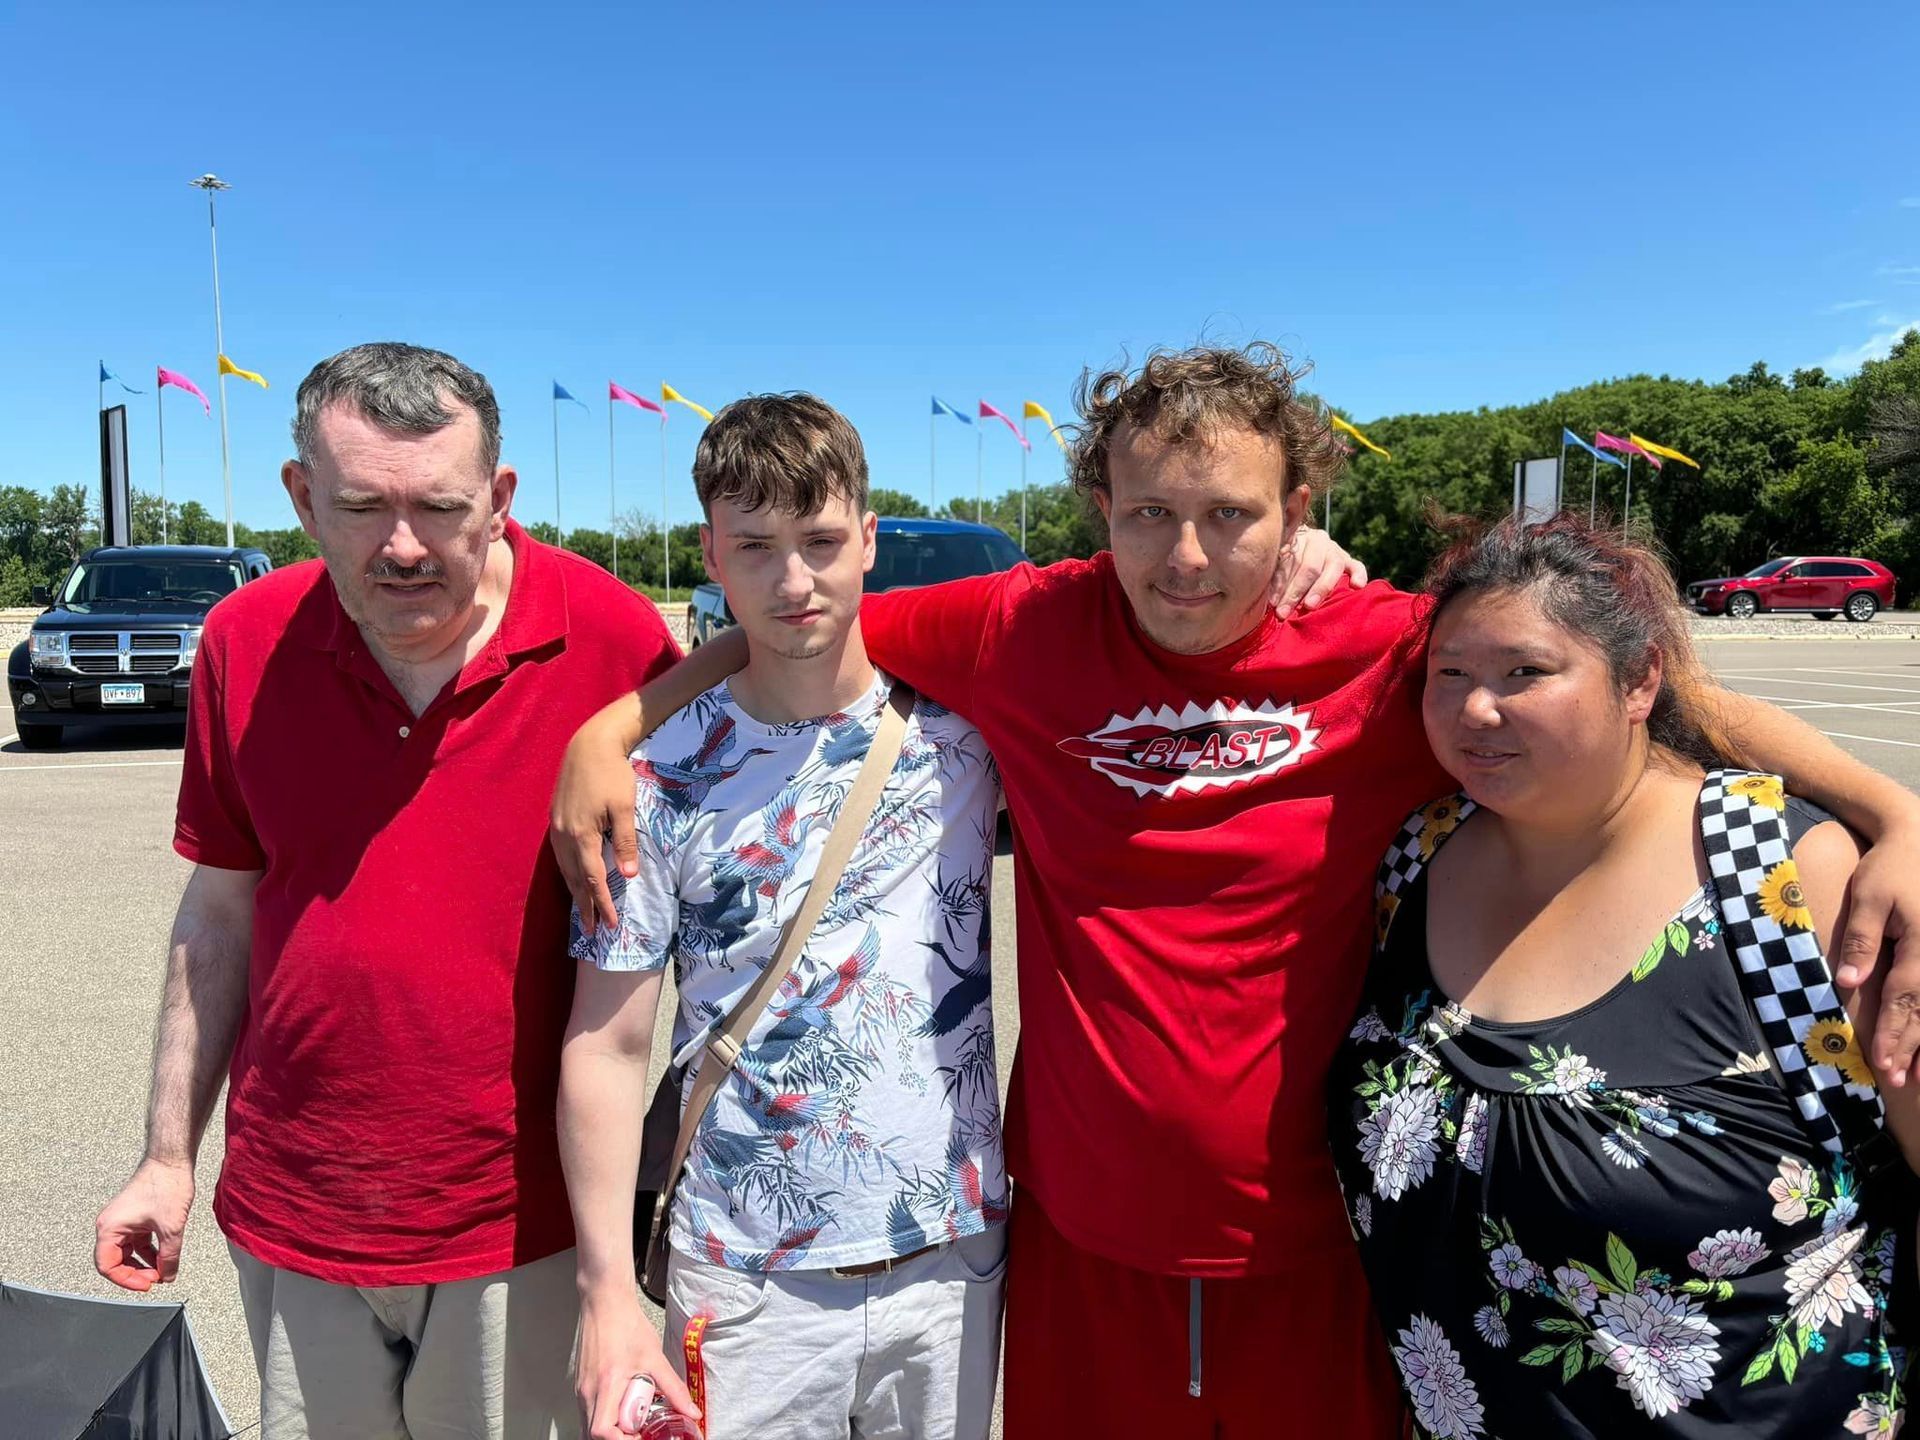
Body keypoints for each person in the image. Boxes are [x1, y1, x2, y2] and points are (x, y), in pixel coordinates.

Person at [551, 344, 1920, 1438]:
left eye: (1230, 518)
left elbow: (1658, 694)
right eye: (1150, 513)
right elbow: (800, 620)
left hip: (1318, 1247)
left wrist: (1890, 808)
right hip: (1086, 1237)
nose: (1187, 557)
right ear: (1102, 511)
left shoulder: (1394, 653)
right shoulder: (1021, 625)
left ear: (1298, 516)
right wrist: (611, 729)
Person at [91, 343, 680, 1439]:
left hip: (522, 1231)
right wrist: (168, 1158)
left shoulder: (615, 644)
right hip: (296, 1211)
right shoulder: (243, 643)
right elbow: (217, 912)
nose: (403, 548)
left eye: (440, 508)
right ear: (301, 496)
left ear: (500, 500)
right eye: (361, 507)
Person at [1328, 512, 1920, 1436]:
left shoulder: (1785, 874)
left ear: (1641, 678)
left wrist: (1896, 813)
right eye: (1451, 675)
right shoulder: (1419, 856)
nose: (1478, 710)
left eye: (1526, 672)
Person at [560, 393, 1009, 1440]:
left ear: (868, 541)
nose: (794, 580)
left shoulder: (969, 741)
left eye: (818, 541)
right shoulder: (654, 778)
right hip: (741, 1278)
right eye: (755, 546)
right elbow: (609, 1044)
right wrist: (606, 1293)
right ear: (710, 554)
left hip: (949, 1258)